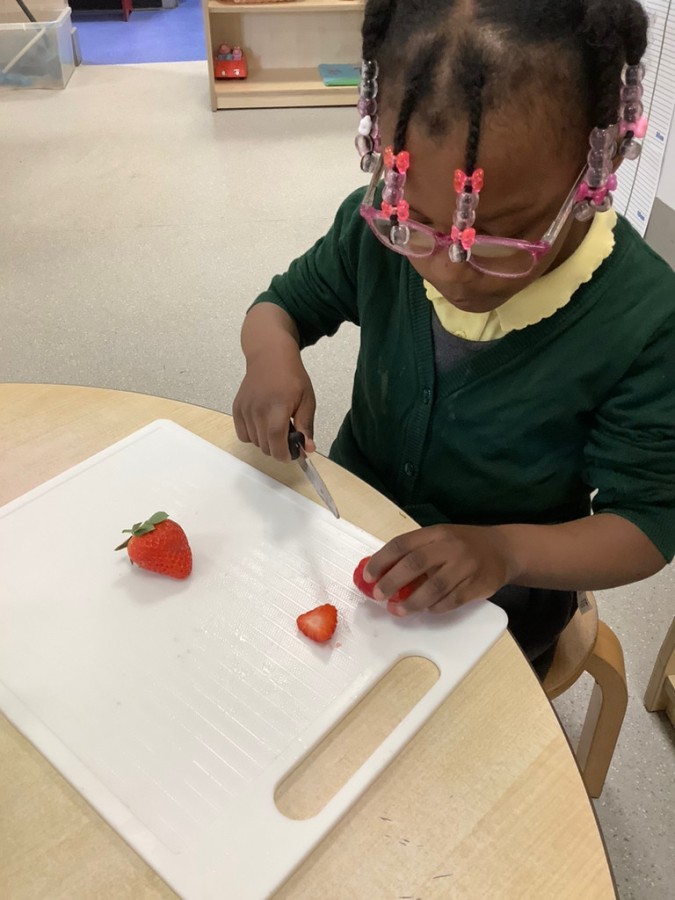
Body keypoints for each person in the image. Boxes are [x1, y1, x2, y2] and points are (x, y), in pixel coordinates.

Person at [233, 0, 675, 677]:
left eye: (496, 232)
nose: (447, 267)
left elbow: (645, 526)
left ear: (601, 159)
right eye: (412, 223)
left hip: (501, 590)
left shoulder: (645, 318)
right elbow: (280, 308)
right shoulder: (375, 230)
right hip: (349, 520)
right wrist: (270, 358)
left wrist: (503, 552)